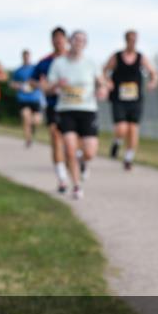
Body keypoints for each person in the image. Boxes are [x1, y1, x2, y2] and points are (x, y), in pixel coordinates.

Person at [45, 30, 107, 200]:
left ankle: (83, 161)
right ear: (70, 41)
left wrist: (102, 89)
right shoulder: (59, 63)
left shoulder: (92, 63)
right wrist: (56, 84)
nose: (78, 42)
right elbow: (48, 88)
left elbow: (101, 83)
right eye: (76, 39)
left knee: (90, 152)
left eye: (82, 40)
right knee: (70, 149)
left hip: (88, 110)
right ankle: (76, 186)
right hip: (66, 110)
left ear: (85, 44)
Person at [104, 30, 158, 170]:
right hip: (119, 98)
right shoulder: (117, 57)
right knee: (122, 128)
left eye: (134, 40)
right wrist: (108, 82)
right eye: (130, 39)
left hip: (135, 99)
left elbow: (154, 73)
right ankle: (117, 142)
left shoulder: (141, 57)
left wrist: (153, 82)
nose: (132, 42)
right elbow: (104, 71)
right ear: (126, 40)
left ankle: (129, 158)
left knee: (133, 129)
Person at [32, 27, 70, 192]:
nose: (58, 41)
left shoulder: (74, 59)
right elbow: (32, 80)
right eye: (56, 38)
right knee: (55, 136)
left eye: (61, 38)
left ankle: (77, 160)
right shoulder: (45, 62)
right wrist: (40, 85)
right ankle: (62, 178)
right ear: (52, 41)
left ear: (66, 40)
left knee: (71, 141)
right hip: (53, 104)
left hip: (74, 105)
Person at [11, 49, 44, 147]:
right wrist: (18, 86)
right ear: (22, 57)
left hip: (35, 98)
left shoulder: (35, 69)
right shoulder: (18, 70)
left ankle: (32, 127)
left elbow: (42, 81)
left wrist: (35, 84)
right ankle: (28, 139)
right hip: (23, 98)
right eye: (24, 57)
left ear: (30, 57)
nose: (26, 58)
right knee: (26, 117)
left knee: (37, 120)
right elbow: (12, 83)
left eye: (28, 56)